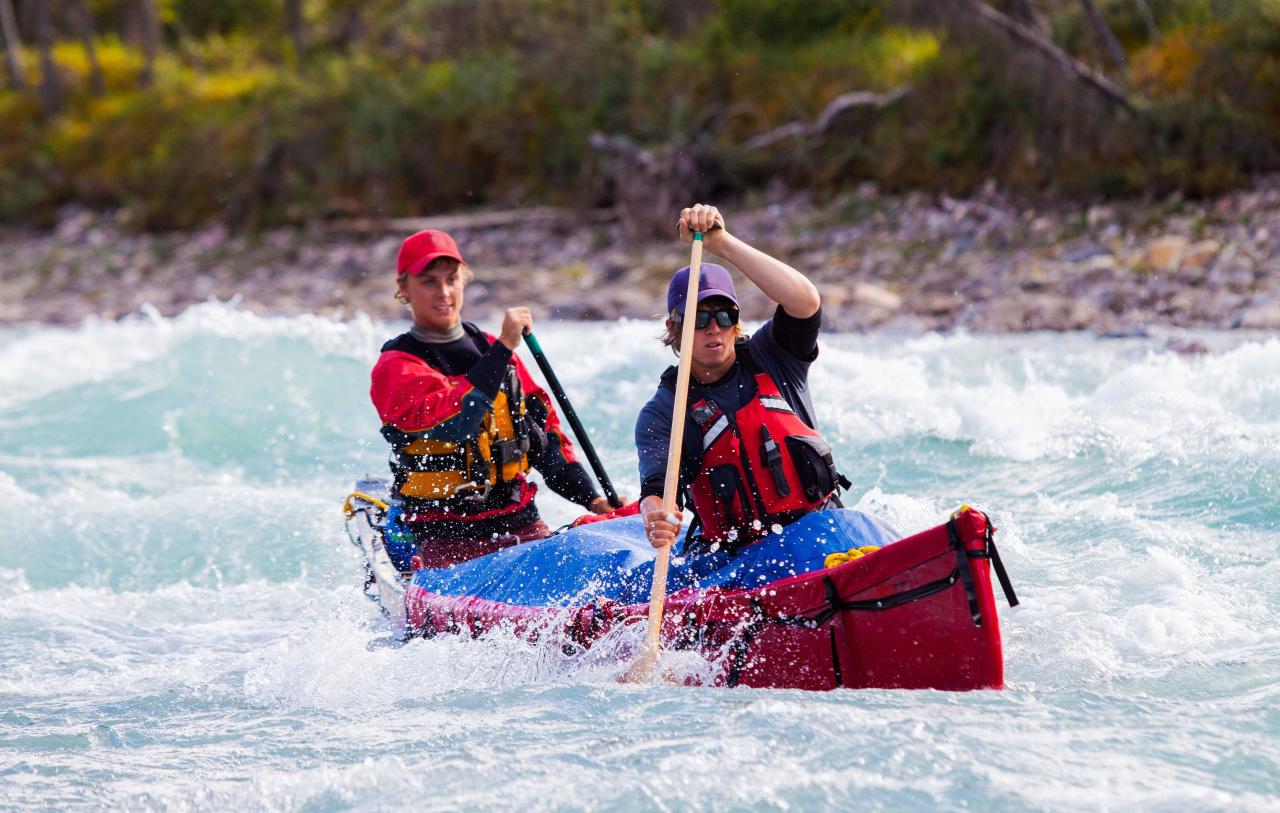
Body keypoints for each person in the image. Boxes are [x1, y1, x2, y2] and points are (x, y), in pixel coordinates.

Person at [371, 229, 612, 568]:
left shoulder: (492, 349)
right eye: (428, 281)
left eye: (452, 279)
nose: (444, 292)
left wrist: (595, 500)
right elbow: (457, 423)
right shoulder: (397, 366)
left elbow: (546, 441)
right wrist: (503, 349)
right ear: (403, 289)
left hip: (520, 524)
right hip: (443, 538)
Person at [636, 204, 850, 553]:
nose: (714, 328)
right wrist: (656, 515)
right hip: (739, 558)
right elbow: (657, 489)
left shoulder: (775, 356)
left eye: (724, 314)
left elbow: (806, 302)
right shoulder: (665, 411)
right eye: (698, 318)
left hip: (818, 533)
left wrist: (722, 242)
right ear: (673, 328)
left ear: (736, 321)